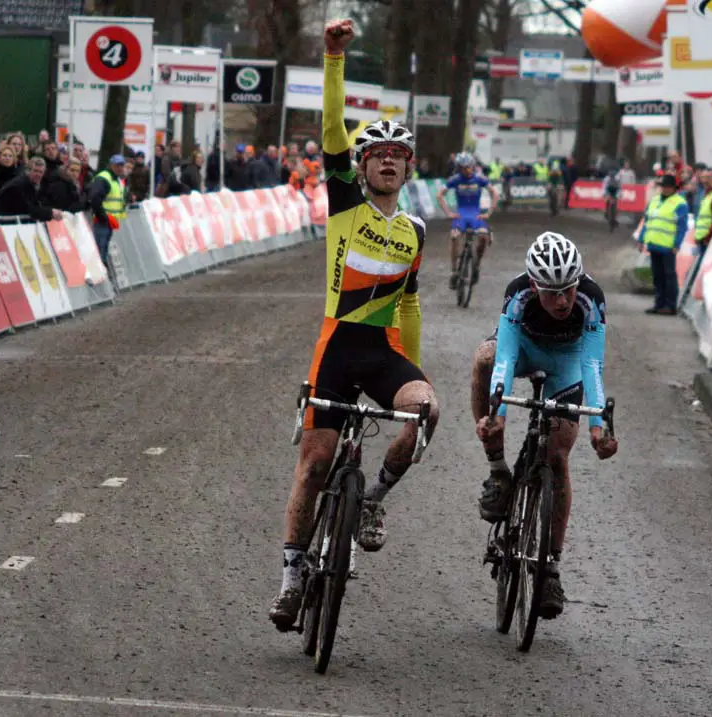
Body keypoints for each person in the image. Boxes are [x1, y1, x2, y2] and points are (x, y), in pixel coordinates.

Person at [268, 18, 441, 632]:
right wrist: (333, 59)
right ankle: (292, 577)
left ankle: (372, 501)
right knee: (315, 466)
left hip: (384, 352)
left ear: (408, 168)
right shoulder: (345, 203)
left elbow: (411, 304)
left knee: (427, 410)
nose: (388, 163)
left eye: (398, 156)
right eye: (378, 156)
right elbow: (330, 131)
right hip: (337, 347)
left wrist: (414, 371)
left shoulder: (416, 230)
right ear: (363, 166)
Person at [470, 232, 618, 619]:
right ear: (534, 285)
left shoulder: (591, 297)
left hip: (568, 362)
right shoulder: (517, 293)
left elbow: (593, 365)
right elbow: (503, 358)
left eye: (568, 289)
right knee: (483, 358)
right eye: (552, 292)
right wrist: (496, 416)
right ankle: (497, 470)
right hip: (524, 349)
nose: (563, 300)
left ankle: (550, 566)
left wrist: (598, 426)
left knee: (557, 457)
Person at [438, 151, 498, 289]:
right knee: (454, 237)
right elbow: (439, 195)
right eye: (463, 167)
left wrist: (489, 212)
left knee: (483, 237)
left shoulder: (480, 178)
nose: (467, 169)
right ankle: (454, 271)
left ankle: (476, 266)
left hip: (476, 215)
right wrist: (448, 212)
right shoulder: (455, 179)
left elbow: (495, 193)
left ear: (473, 165)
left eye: (469, 166)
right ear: (459, 168)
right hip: (461, 216)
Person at [637, 173, 689, 315]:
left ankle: (670, 306)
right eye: (663, 186)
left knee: (669, 276)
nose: (665, 189)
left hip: (668, 247)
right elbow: (647, 222)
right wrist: (641, 239)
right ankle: (659, 304)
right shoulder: (654, 201)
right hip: (654, 244)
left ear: (674, 188)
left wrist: (677, 244)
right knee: (657, 276)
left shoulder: (680, 203)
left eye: (667, 187)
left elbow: (682, 227)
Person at [0, 156, 62, 222]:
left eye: (41, 172)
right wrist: (50, 212)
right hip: (0, 223)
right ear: (29, 170)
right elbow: (27, 209)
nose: (38, 174)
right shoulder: (18, 185)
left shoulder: (34, 184)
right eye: (35, 171)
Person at [87, 155, 128, 269]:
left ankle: (103, 273)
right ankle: (100, 274)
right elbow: (95, 199)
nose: (120, 168)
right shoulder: (104, 178)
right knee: (100, 249)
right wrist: (103, 217)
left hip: (110, 221)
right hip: (102, 221)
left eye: (121, 165)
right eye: (117, 165)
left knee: (104, 248)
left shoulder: (117, 180)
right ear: (111, 165)